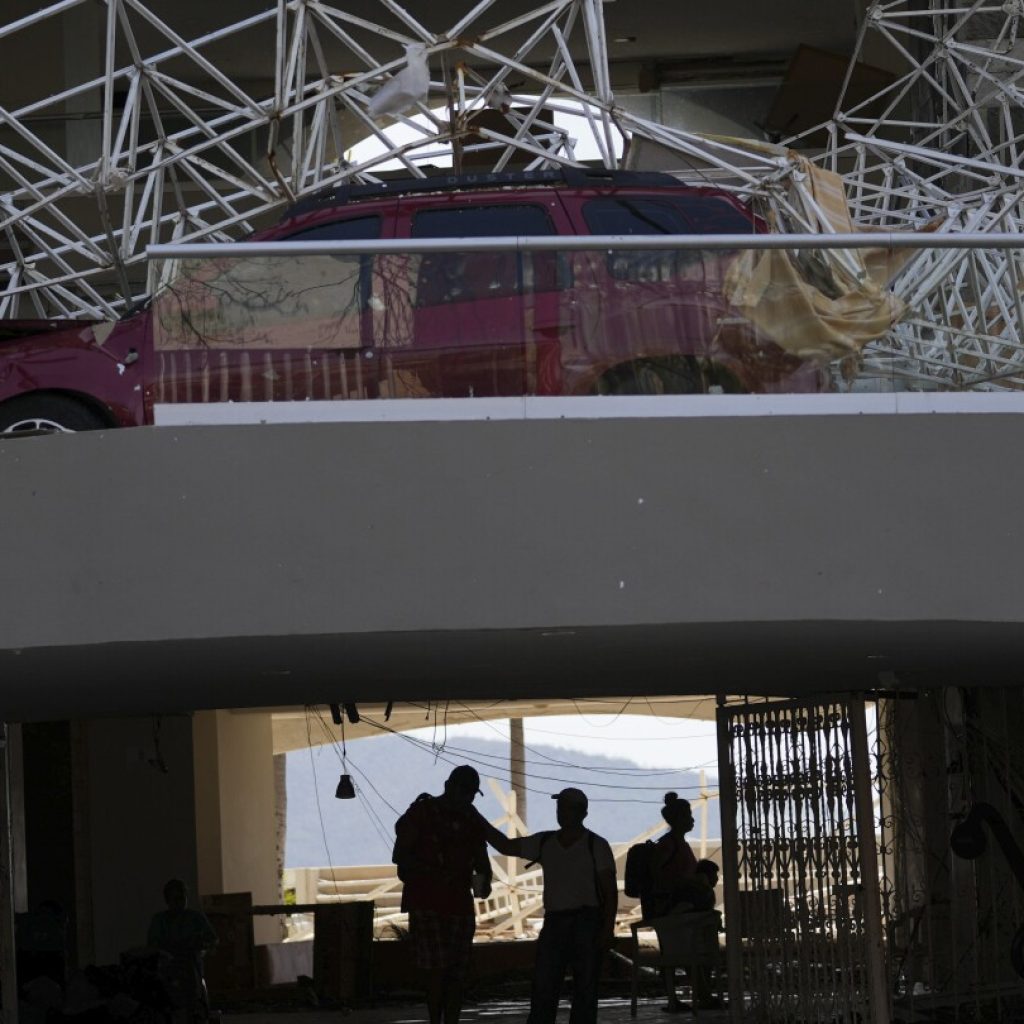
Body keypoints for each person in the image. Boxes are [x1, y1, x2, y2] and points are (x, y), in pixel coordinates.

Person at [485, 787, 617, 1024]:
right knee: (549, 989)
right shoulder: (548, 842)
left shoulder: (594, 845)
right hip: (559, 923)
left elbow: (609, 892)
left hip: (583, 924)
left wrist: (607, 929)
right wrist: (477, 821)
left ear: (581, 813)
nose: (560, 812)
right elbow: (505, 846)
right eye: (560, 807)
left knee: (578, 991)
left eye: (565, 807)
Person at [393, 765, 493, 1024]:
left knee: (452, 972)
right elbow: (401, 858)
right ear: (449, 787)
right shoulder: (423, 813)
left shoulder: (466, 817)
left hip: (451, 903)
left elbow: (482, 860)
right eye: (466, 792)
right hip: (430, 902)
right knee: (439, 972)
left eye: (471, 794)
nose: (468, 798)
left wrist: (483, 879)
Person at [649, 795, 719, 1013]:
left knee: (694, 951)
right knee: (684, 952)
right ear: (678, 818)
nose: (692, 820)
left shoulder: (680, 844)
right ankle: (698, 997)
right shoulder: (668, 845)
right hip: (672, 910)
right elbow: (657, 877)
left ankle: (702, 995)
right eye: (688, 815)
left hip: (681, 910)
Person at [147, 879, 217, 1022]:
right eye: (175, 899)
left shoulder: (195, 917)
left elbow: (212, 939)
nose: (179, 902)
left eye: (182, 898)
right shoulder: (159, 920)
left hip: (191, 965)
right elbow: (152, 945)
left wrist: (201, 945)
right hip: (167, 966)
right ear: (167, 900)